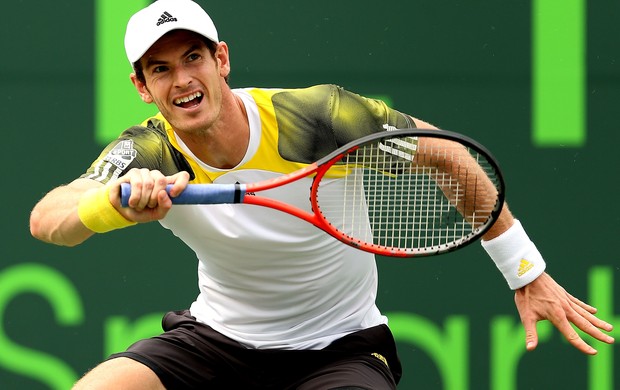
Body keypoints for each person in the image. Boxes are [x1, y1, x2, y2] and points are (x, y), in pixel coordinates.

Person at [29, 0, 614, 389]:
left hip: (341, 353)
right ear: (142, 87)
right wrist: (113, 202)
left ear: (221, 58)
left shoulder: (317, 118)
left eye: (193, 58)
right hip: (218, 343)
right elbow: (48, 218)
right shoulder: (151, 149)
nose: (182, 79)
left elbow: (448, 156)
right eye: (160, 69)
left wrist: (524, 271)